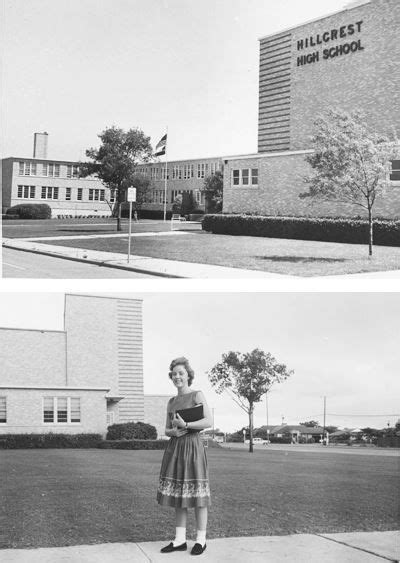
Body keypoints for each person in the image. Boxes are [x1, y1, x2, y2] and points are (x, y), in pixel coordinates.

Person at [157, 357, 212, 556]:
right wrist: (174, 432)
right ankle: (179, 540)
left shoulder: (197, 395)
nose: (177, 376)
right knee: (180, 495)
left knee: (197, 495)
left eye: (181, 373)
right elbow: (166, 428)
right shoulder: (171, 402)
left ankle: (201, 540)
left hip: (193, 446)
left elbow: (208, 421)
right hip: (176, 447)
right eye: (174, 374)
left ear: (188, 375)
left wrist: (186, 426)